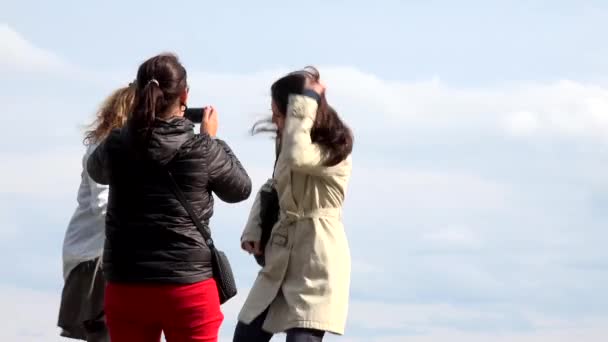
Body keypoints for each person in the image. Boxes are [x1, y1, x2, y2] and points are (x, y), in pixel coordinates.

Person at [86, 53, 252, 342]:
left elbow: (95, 171)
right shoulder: (202, 148)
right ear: (185, 94)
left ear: (138, 94)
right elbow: (240, 189)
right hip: (188, 286)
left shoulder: (118, 144)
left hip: (127, 283)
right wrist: (211, 139)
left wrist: (132, 127)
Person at [235, 68, 354, 342]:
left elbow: (299, 156)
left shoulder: (336, 147)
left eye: (279, 113)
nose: (275, 121)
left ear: (301, 108)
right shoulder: (288, 142)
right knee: (246, 334)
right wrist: (254, 227)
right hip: (280, 258)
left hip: (315, 260)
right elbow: (274, 186)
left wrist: (307, 97)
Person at [58, 83, 135, 342]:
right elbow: (104, 204)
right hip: (95, 258)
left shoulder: (114, 149)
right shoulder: (104, 149)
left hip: (100, 256)